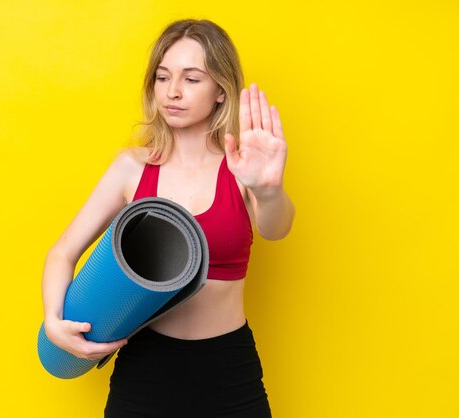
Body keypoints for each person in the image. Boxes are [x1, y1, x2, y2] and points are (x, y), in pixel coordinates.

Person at [41, 18, 295, 417]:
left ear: (221, 93)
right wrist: (54, 320)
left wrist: (267, 189)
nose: (172, 92)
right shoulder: (132, 168)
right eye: (162, 77)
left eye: (192, 79)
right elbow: (62, 252)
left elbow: (276, 229)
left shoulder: (242, 168)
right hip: (145, 367)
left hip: (229, 367)